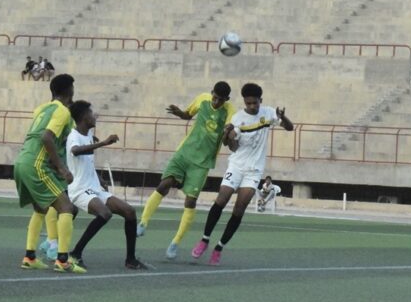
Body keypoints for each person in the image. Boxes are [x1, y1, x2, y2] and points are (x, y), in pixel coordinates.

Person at [192, 83, 293, 265]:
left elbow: (290, 128)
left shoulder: (269, 113)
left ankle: (219, 248)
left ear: (260, 101)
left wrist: (283, 117)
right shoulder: (238, 118)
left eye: (255, 103)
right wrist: (228, 135)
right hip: (236, 166)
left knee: (240, 207)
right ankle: (205, 239)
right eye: (248, 103)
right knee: (221, 199)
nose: (252, 107)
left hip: (254, 170)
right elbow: (232, 147)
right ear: (244, 102)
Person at [137, 81, 236, 259]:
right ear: (211, 93)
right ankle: (143, 222)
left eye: (220, 100)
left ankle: (175, 243)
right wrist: (179, 113)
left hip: (202, 163)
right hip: (184, 152)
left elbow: (229, 131)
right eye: (214, 97)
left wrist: (228, 131)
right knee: (163, 185)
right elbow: (187, 115)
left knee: (190, 202)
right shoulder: (203, 99)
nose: (215, 102)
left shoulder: (230, 111)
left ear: (226, 99)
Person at [14, 73, 83, 273]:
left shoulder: (41, 109)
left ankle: (30, 256)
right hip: (37, 164)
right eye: (72, 88)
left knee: (40, 209)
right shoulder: (62, 112)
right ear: (69, 90)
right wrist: (61, 168)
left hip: (22, 161)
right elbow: (46, 137)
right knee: (67, 208)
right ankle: (62, 260)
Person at [65, 100, 147, 270]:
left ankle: (130, 259)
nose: (94, 115)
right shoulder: (74, 136)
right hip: (79, 190)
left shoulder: (87, 135)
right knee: (105, 213)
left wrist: (99, 179)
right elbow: (75, 151)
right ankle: (75, 253)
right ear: (82, 117)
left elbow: (84, 161)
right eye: (90, 113)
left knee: (129, 212)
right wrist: (103, 143)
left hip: (93, 187)